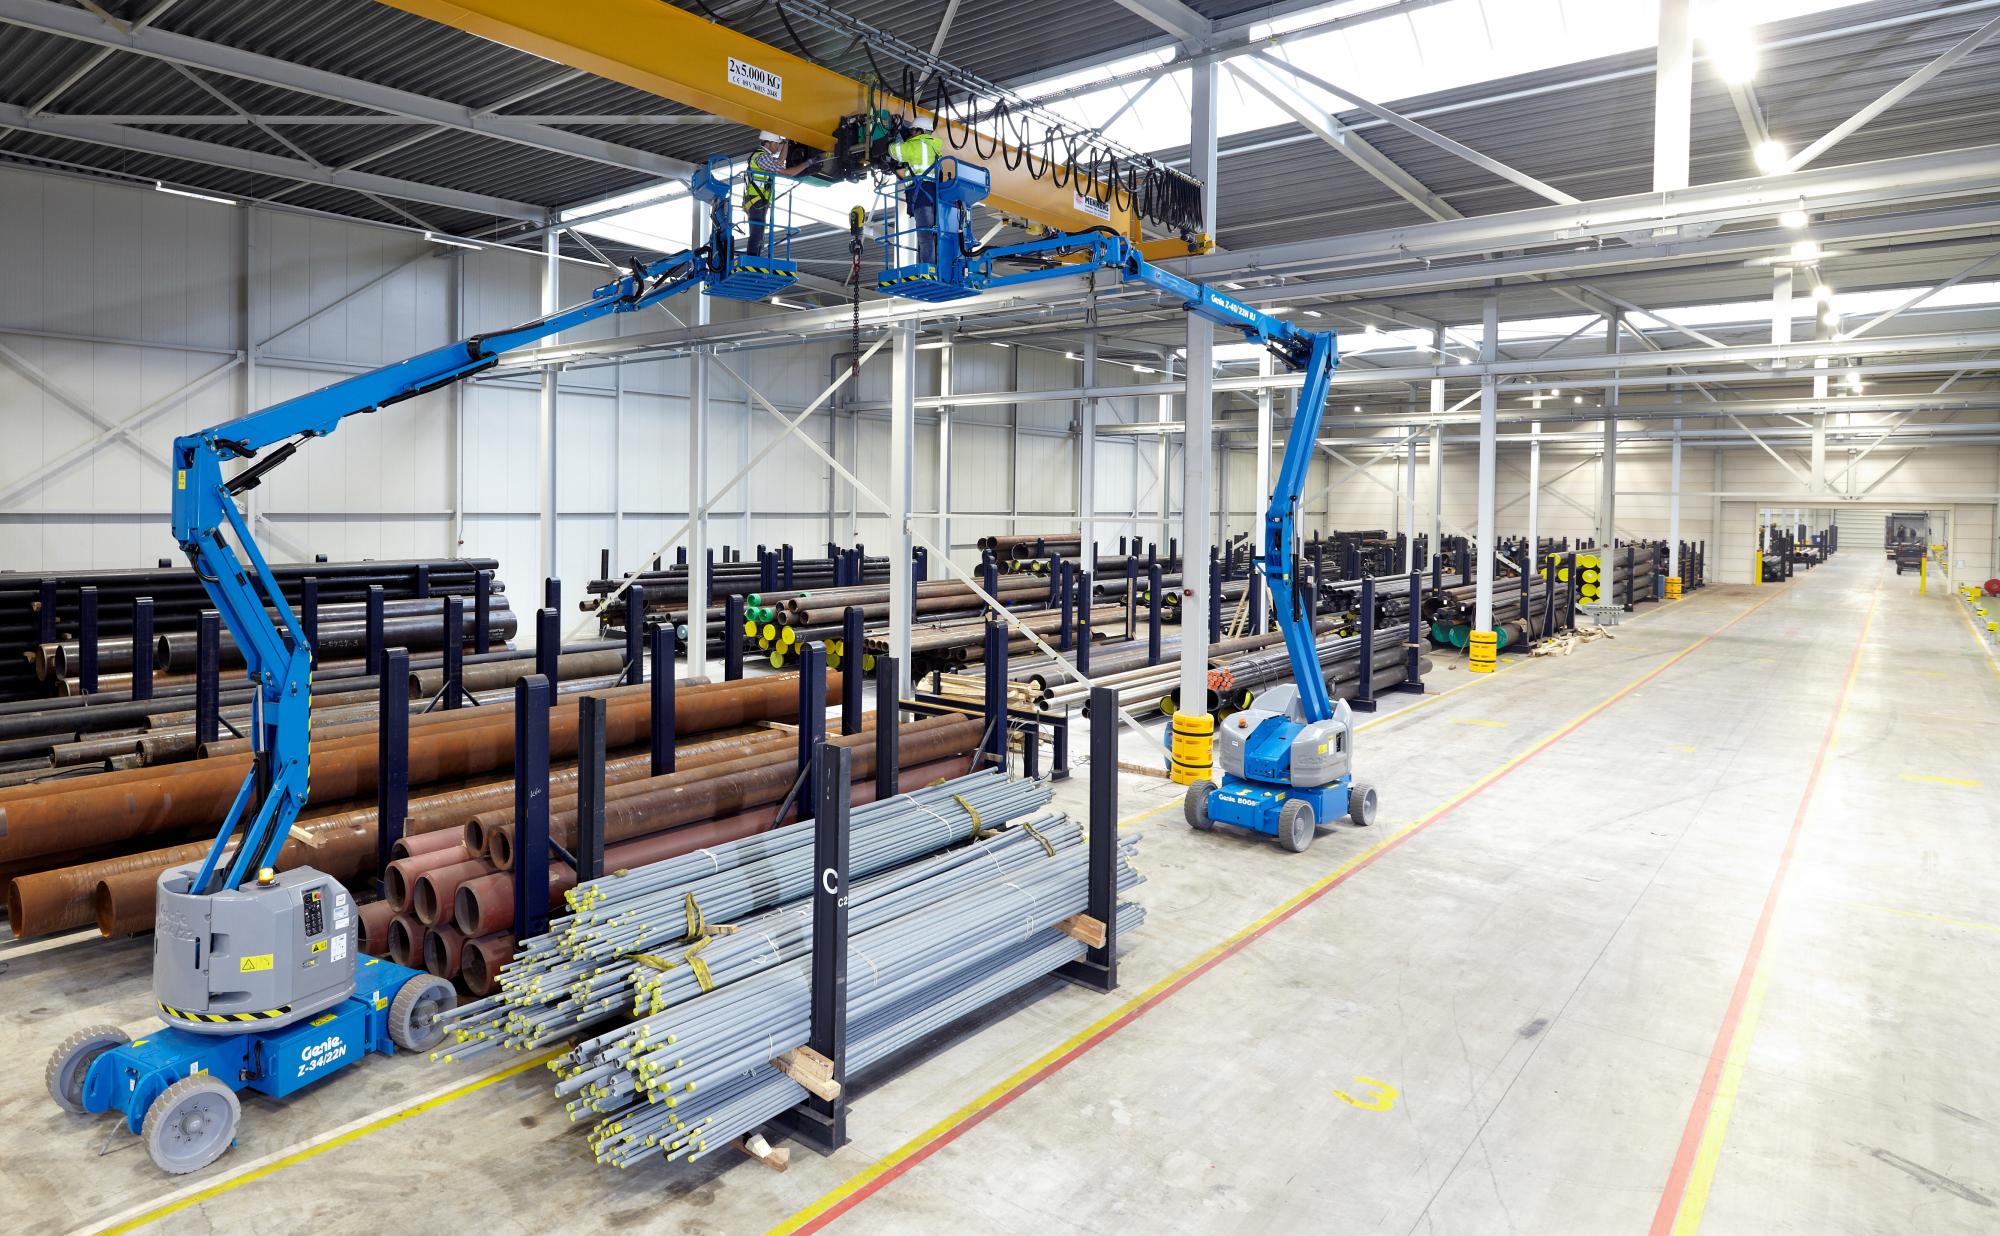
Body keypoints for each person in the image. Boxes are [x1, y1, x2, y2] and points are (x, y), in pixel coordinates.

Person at [890, 116, 945, 265]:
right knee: (934, 233)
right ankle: (935, 264)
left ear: (920, 131)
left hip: (921, 195)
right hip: (933, 195)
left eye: (913, 131)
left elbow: (895, 151)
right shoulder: (934, 149)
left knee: (924, 233)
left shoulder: (916, 145)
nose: (912, 134)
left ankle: (928, 267)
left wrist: (895, 137)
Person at [743, 131, 806, 258]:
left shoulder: (763, 157)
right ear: (769, 143)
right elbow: (787, 172)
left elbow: (780, 161)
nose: (778, 147)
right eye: (776, 144)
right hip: (756, 200)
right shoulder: (761, 157)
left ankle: (754, 258)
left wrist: (786, 142)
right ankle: (752, 259)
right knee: (757, 233)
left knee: (759, 233)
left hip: (758, 200)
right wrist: (807, 164)